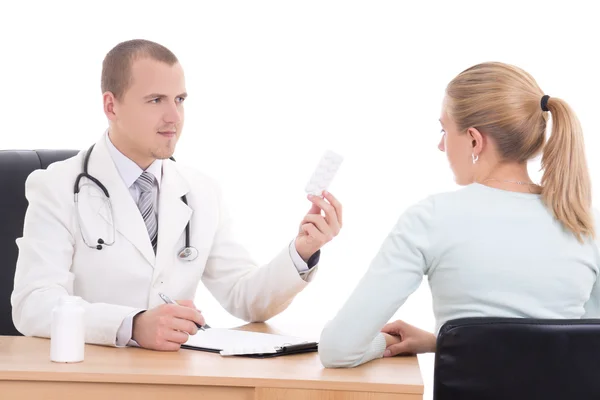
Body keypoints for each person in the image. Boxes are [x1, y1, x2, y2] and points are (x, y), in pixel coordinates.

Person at [11, 39, 343, 351]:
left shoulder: (201, 191)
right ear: (111, 106)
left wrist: (303, 250)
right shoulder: (56, 186)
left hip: (176, 378)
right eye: (156, 100)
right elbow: (34, 303)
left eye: (179, 100)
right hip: (91, 376)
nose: (174, 117)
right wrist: (131, 325)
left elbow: (245, 297)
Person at [318, 61, 600, 368]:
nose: (441, 145)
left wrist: (385, 342)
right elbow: (583, 350)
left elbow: (338, 349)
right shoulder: (583, 223)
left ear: (475, 141)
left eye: (444, 129)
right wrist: (444, 343)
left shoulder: (431, 219)